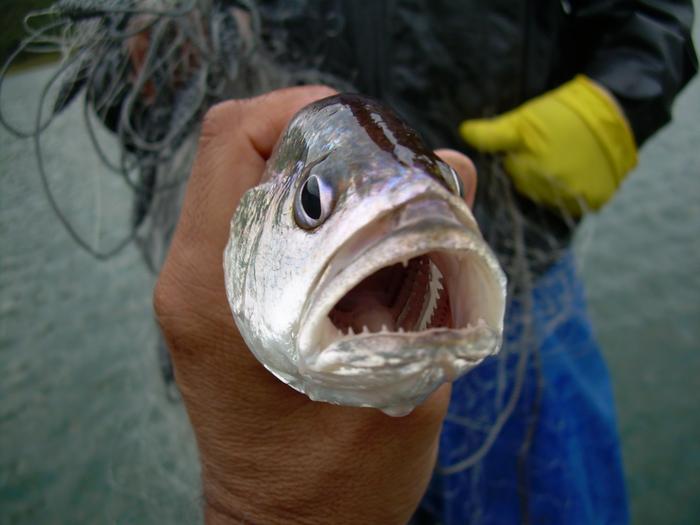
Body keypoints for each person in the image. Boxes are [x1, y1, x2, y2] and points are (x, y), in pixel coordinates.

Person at [26, 1, 695, 523]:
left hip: (511, 290)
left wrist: (617, 100)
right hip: (291, 309)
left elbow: (650, 15)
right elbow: (122, 90)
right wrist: (147, 61)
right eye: (318, 202)